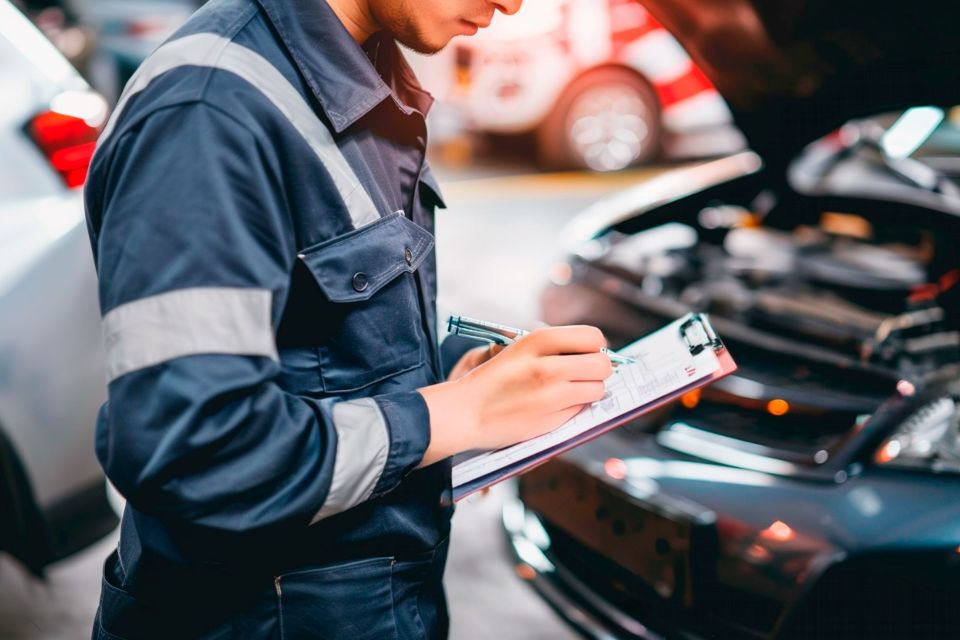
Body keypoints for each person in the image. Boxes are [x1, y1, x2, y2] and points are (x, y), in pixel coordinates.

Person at [84, 0, 613, 637]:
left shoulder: (364, 68)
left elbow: (316, 350)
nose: (512, 3)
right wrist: (458, 412)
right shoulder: (208, 109)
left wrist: (466, 380)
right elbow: (194, 455)